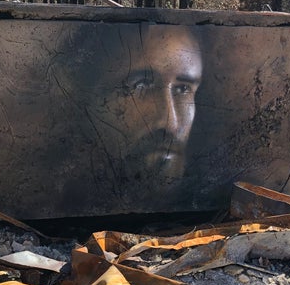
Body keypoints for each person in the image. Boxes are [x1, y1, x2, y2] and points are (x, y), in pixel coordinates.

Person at [48, 23, 204, 215]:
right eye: (142, 85)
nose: (170, 122)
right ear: (87, 98)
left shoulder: (204, 207)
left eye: (183, 89)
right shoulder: (46, 199)